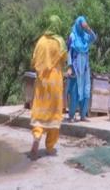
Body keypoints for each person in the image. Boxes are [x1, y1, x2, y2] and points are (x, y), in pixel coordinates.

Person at [30, 15, 67, 160]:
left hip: (42, 81)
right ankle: (50, 146)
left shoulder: (40, 41)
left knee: (40, 109)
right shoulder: (60, 41)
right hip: (55, 80)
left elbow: (33, 61)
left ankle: (37, 135)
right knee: (55, 112)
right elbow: (64, 58)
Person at [67, 16, 96, 122]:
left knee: (86, 89)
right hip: (75, 66)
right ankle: (71, 115)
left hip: (85, 67)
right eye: (81, 25)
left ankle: (83, 115)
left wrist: (88, 28)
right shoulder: (72, 36)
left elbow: (94, 38)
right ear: (77, 24)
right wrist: (69, 66)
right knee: (75, 90)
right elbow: (69, 51)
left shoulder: (85, 35)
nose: (82, 27)